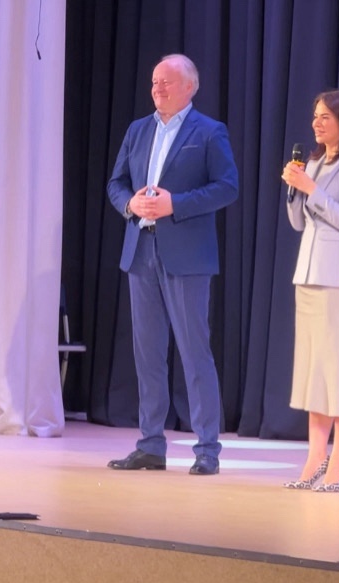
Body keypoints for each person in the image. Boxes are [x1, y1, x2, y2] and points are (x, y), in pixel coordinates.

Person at [105, 54, 239, 475]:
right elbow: (115, 183)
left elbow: (228, 187)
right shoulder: (138, 130)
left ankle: (207, 449)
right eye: (154, 81)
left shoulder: (209, 132)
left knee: (195, 353)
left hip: (187, 255)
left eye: (166, 82)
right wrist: (129, 203)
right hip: (141, 250)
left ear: (189, 87)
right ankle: (150, 445)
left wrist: (174, 204)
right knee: (147, 355)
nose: (157, 88)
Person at [281, 89, 339, 492]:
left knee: (337, 371)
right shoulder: (316, 163)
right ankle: (315, 458)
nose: (316, 124)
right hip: (308, 274)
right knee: (313, 371)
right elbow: (299, 223)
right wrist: (295, 189)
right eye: (315, 116)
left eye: (325, 118)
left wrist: (311, 189)